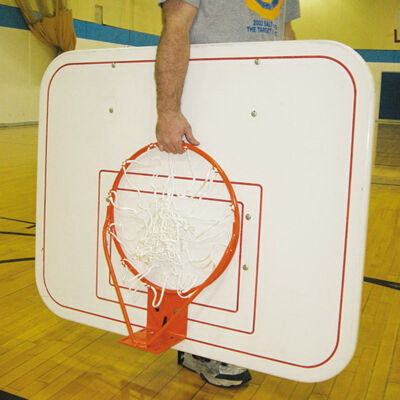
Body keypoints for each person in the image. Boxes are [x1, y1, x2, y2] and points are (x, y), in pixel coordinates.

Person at [154, 0, 300, 387]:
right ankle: (202, 344)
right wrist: (168, 109)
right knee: (207, 227)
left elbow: (284, 37)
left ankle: (224, 332)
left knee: (251, 227)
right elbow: (175, 27)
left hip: (259, 111)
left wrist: (296, 103)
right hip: (209, 107)